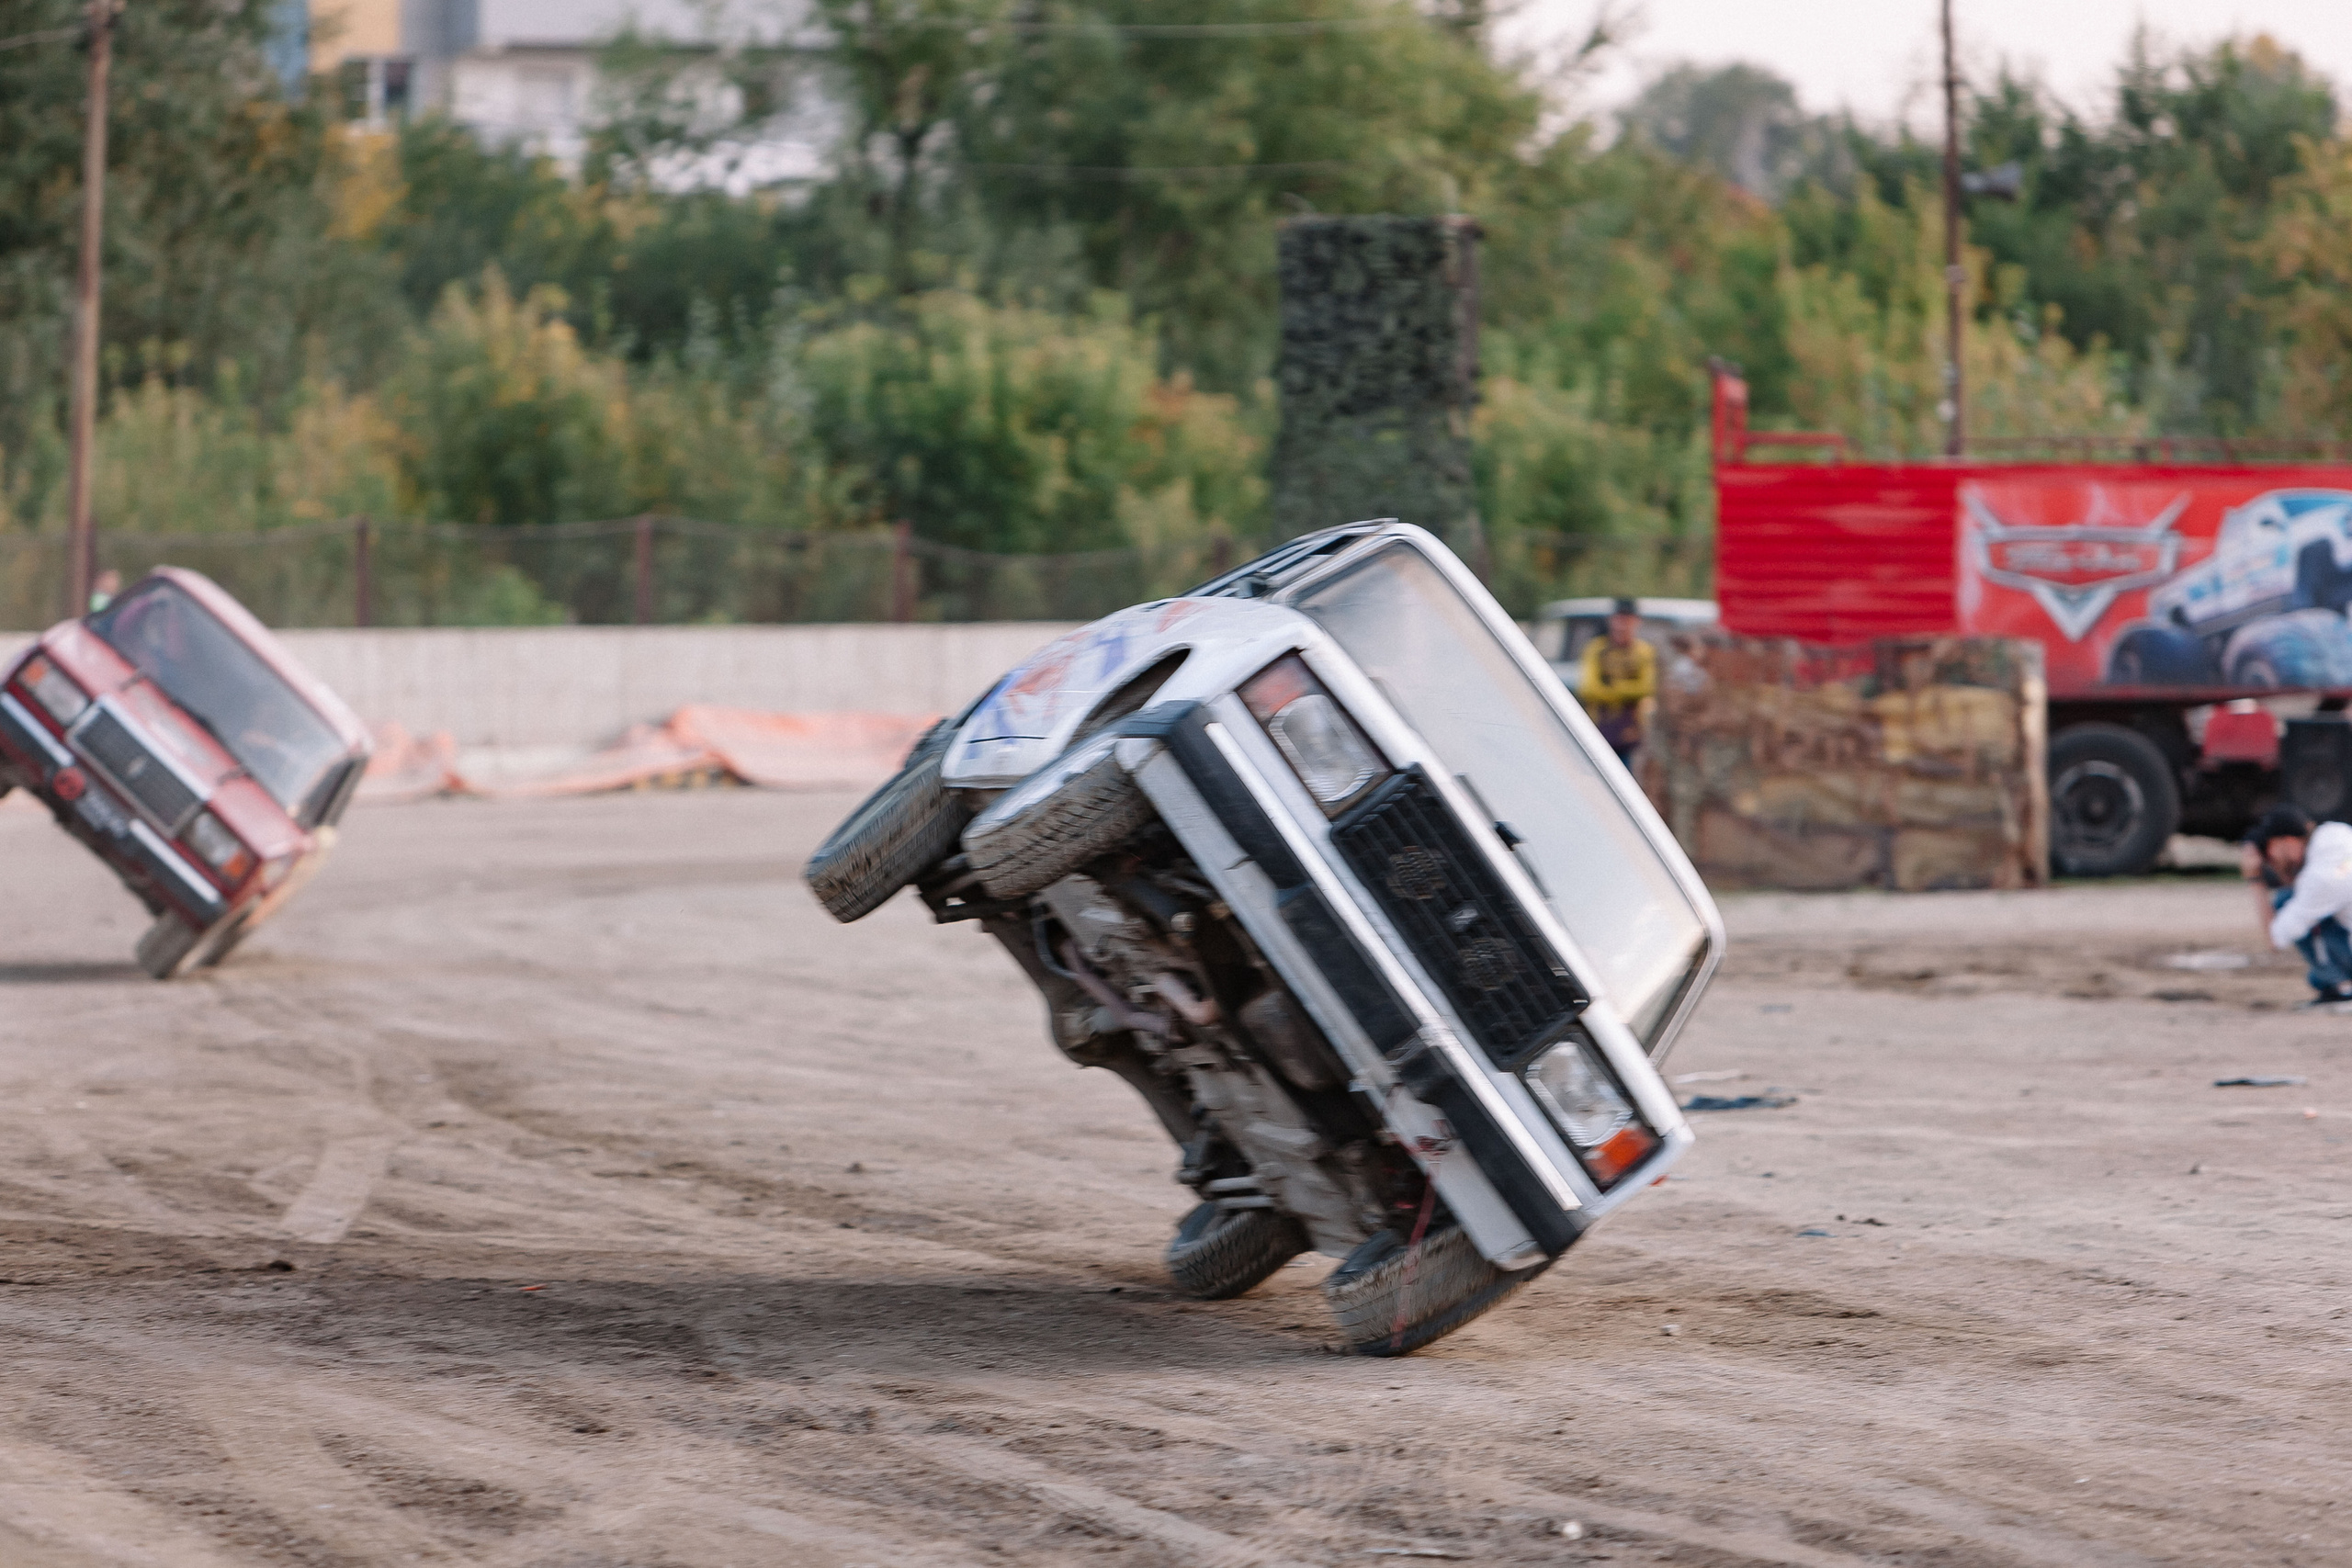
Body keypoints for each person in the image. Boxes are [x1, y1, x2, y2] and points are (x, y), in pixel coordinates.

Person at [2242, 804, 2352, 1006]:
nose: (2270, 860)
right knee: (2317, 978)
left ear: (2288, 841)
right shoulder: (2336, 833)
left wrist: (2255, 880)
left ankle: (2342, 989)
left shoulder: (2321, 877)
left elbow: (2276, 940)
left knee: (2285, 903)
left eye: (2269, 850)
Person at [1577, 597, 1657, 767]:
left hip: (1633, 731)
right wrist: (1627, 692)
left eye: (1627, 620)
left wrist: (1613, 687)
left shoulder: (1643, 652)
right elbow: (1588, 689)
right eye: (1619, 619)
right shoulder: (1597, 649)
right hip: (1600, 726)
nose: (1622, 625)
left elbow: (1647, 687)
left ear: (1636, 622)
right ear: (1611, 620)